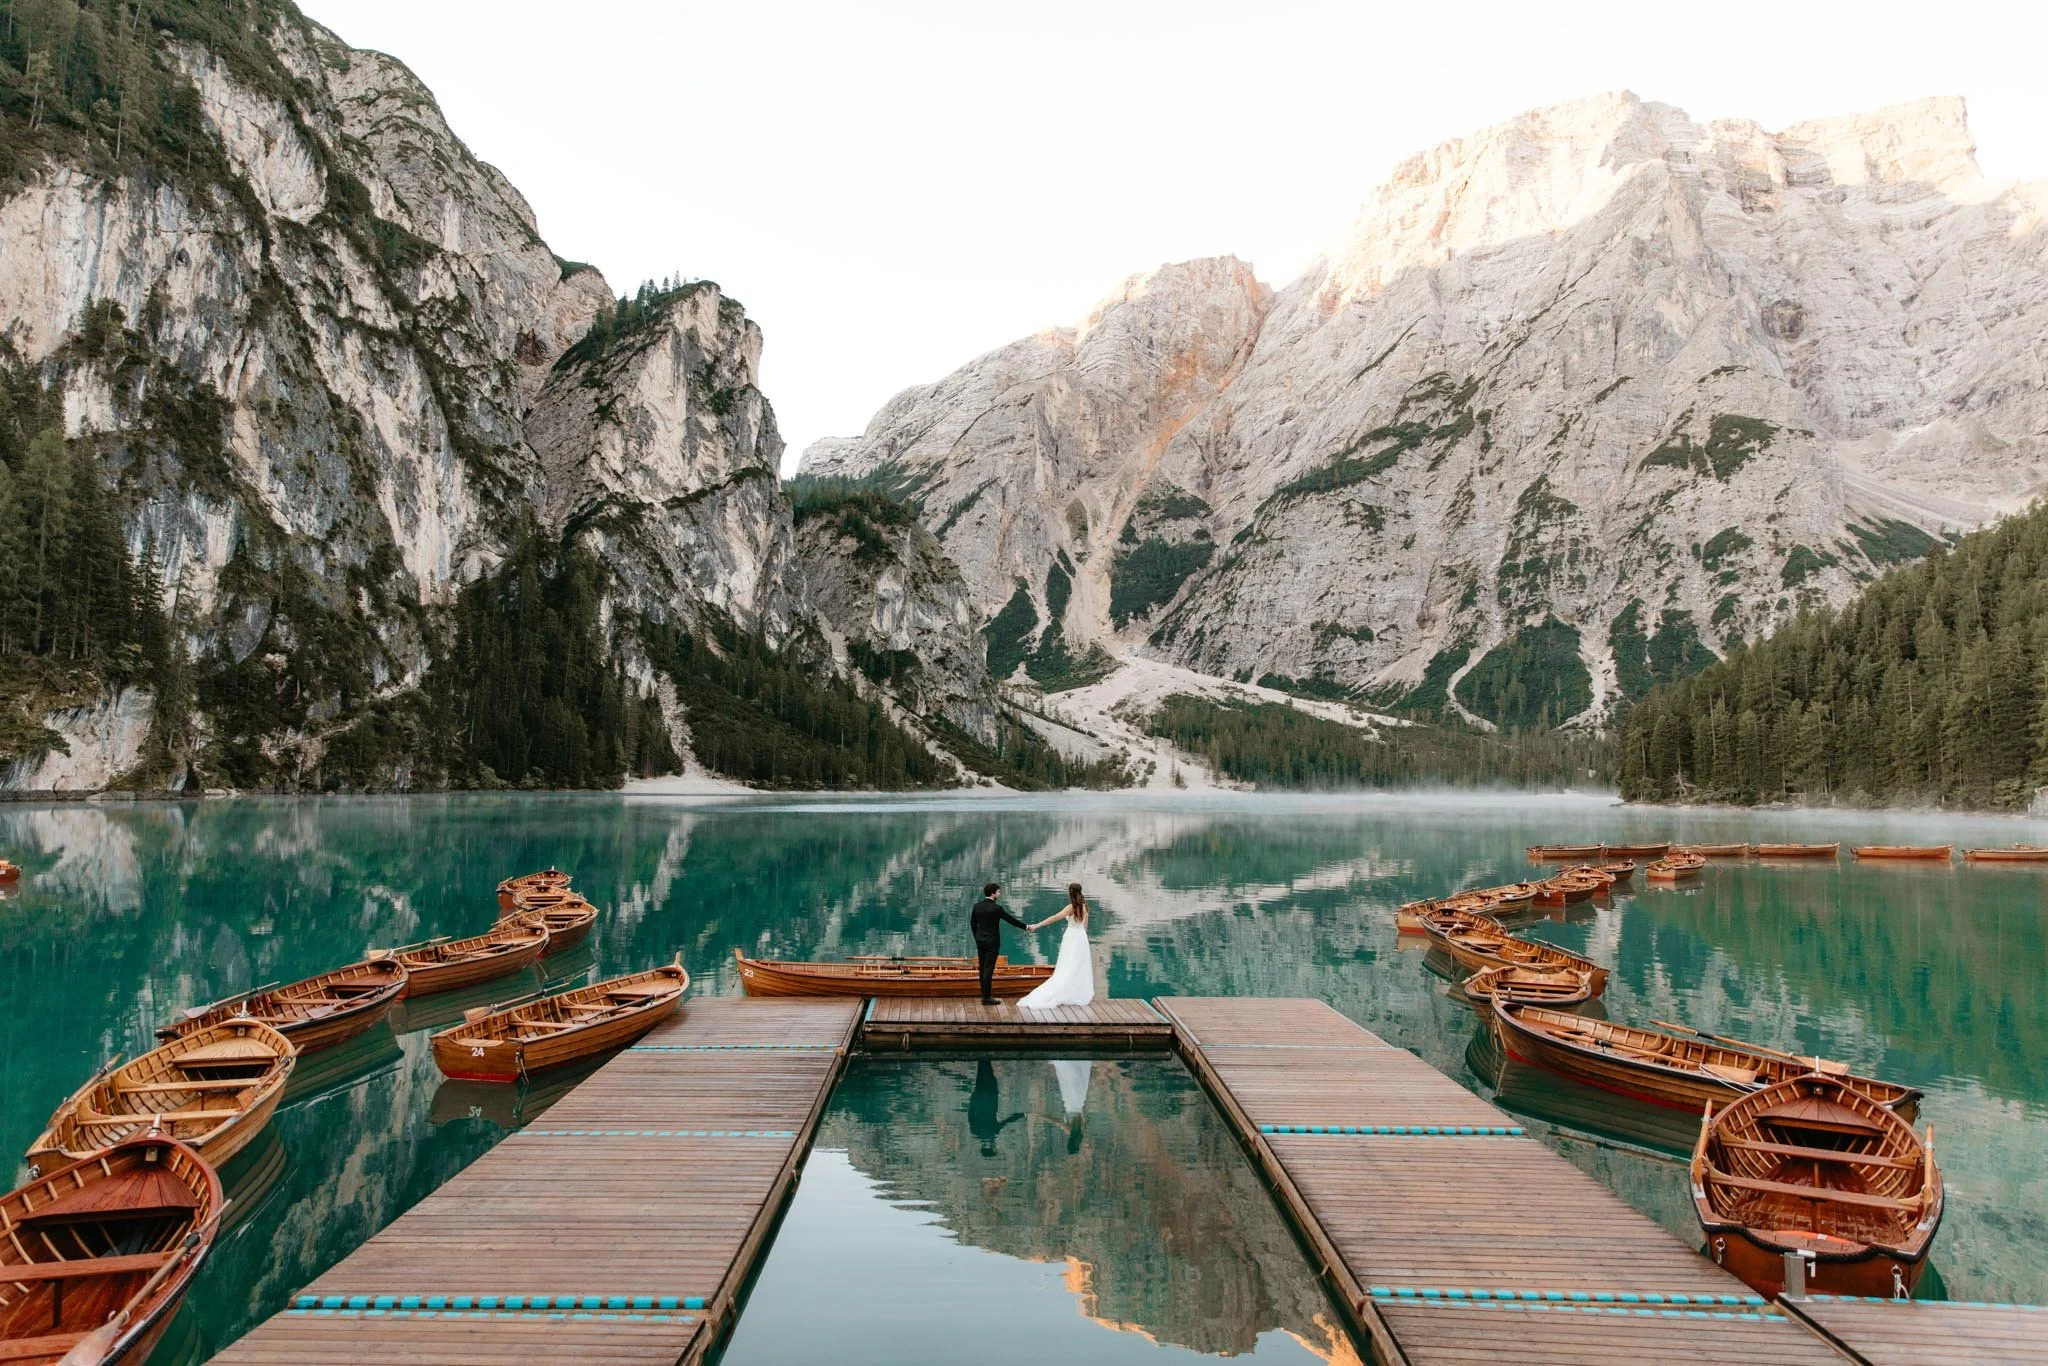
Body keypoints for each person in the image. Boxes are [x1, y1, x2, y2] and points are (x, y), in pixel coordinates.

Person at [1018, 883, 1095, 1010]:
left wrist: (1037, 925)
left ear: (1070, 893)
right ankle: (1074, 993)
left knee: (1067, 966)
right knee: (1077, 966)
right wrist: (1083, 939)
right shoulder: (1085, 906)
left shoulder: (1071, 907)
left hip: (1071, 937)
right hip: (1081, 938)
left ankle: (1062, 992)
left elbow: (1054, 918)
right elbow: (1085, 926)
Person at [969, 882, 1030, 1005]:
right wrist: (1026, 927)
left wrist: (977, 938)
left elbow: (973, 924)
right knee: (988, 969)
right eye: (998, 892)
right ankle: (986, 998)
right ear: (993, 893)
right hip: (992, 942)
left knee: (982, 968)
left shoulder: (977, 906)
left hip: (980, 941)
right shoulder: (997, 909)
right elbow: (1011, 920)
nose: (999, 894)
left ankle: (984, 995)